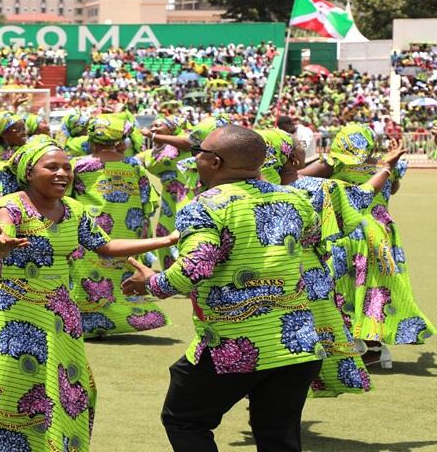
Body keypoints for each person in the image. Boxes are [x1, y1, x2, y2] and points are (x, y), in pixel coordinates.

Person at [0, 136, 177, 451]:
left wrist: (166, 241)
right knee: (11, 389)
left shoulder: (73, 209)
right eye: (52, 167)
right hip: (9, 314)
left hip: (58, 316)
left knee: (65, 386)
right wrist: (2, 242)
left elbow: (106, 246)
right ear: (29, 172)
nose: (63, 173)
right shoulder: (10, 205)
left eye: (67, 167)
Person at [122, 125, 325, 452]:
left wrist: (152, 282)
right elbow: (313, 239)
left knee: (184, 419)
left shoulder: (205, 206)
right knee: (278, 436)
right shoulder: (295, 199)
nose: (195, 159)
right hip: (296, 341)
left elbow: (193, 268)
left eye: (198, 152)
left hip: (236, 341)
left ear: (214, 162)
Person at [300, 124, 435, 365]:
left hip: (347, 232)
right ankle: (374, 347)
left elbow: (297, 180)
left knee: (341, 288)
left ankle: (354, 344)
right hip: (381, 235)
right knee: (372, 290)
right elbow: (391, 189)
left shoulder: (336, 162)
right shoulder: (387, 164)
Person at [69, 116, 167, 337]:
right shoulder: (133, 164)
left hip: (89, 229)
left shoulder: (78, 165)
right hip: (127, 228)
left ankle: (86, 325)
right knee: (121, 274)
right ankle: (126, 320)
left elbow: (68, 199)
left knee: (88, 274)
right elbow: (146, 200)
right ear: (119, 140)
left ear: (91, 139)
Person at [138, 115, 192, 269]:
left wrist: (152, 135)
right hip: (167, 200)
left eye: (158, 125)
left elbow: (190, 143)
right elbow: (135, 161)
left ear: (171, 128)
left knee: (186, 231)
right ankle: (172, 275)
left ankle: (192, 272)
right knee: (163, 232)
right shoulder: (153, 152)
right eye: (152, 126)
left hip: (187, 195)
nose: (153, 128)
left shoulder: (179, 144)